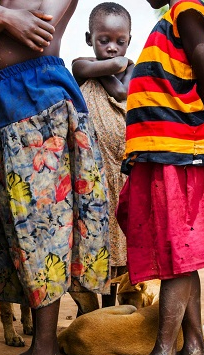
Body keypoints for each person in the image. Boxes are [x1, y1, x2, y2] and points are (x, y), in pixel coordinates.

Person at [0, 0, 111, 355]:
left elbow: (38, 28)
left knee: (41, 229)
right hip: (4, 101)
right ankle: (36, 350)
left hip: (37, 98)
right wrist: (1, 15)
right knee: (13, 228)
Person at [106, 0, 204, 355]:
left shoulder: (187, 12)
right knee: (181, 254)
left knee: (179, 255)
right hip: (164, 153)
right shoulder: (172, 20)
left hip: (178, 153)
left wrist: (184, 119)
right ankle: (194, 349)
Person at [72, 2, 133, 308]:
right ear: (88, 38)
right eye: (103, 40)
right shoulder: (80, 65)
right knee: (92, 238)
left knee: (119, 241)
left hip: (120, 170)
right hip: (90, 174)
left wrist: (111, 66)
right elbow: (104, 75)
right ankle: (89, 308)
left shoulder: (130, 68)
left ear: (129, 40)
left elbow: (123, 94)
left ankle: (112, 307)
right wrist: (115, 64)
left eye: (120, 42)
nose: (111, 48)